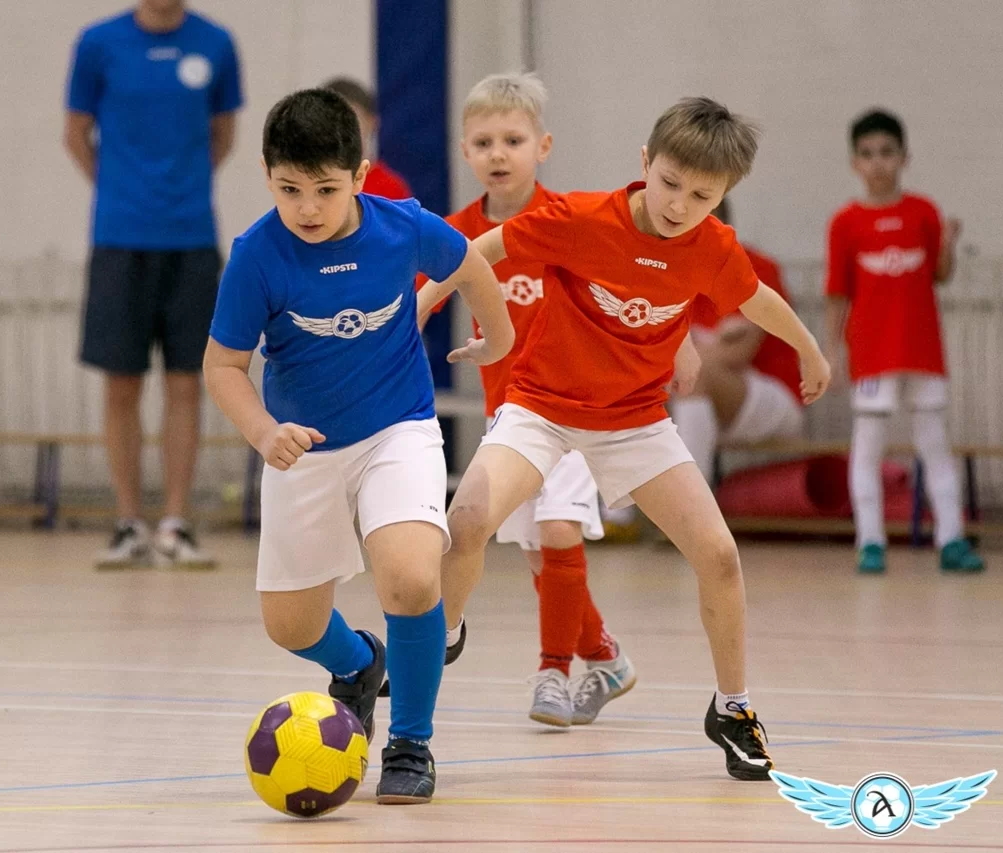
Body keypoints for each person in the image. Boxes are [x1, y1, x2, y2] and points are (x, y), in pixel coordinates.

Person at [420, 97, 831, 781]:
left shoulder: (711, 248)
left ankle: (732, 708)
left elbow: (755, 296)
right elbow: (487, 246)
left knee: (720, 556)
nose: (679, 203)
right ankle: (446, 634)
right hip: (542, 406)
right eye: (670, 183)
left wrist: (811, 350)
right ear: (646, 164)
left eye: (702, 195)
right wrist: (430, 295)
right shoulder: (583, 218)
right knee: (465, 522)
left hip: (636, 419)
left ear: (724, 196)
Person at [203, 89, 513, 803]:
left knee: (409, 576)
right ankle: (359, 662)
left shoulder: (402, 226)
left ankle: (411, 741)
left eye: (324, 190)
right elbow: (222, 367)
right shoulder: (256, 255)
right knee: (290, 624)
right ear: (265, 175)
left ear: (360, 177)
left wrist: (500, 339)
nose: (307, 207)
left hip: (396, 428)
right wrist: (262, 431)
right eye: (289, 189)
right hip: (301, 448)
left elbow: (470, 264)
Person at [419, 73, 633, 729]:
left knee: (559, 531)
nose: (498, 153)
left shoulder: (570, 221)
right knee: (541, 556)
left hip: (572, 408)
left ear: (543, 146)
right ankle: (605, 656)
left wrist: (672, 346)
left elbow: (629, 280)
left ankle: (553, 673)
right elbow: (416, 301)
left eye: (513, 139)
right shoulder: (453, 231)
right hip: (508, 419)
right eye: (484, 141)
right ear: (464, 152)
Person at [65, 0, 242, 568]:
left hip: (191, 237)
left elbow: (222, 134)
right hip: (120, 238)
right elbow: (75, 134)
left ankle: (175, 523)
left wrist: (176, 190)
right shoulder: (98, 43)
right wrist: (123, 190)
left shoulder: (216, 43)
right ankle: (127, 523)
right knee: (122, 384)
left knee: (188, 381)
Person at [825, 109, 983, 574]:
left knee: (934, 444)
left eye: (887, 153)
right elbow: (837, 294)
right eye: (868, 154)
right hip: (872, 355)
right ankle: (870, 542)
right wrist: (831, 352)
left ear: (904, 157)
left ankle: (951, 540)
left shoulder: (923, 212)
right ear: (855, 162)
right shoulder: (845, 223)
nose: (878, 163)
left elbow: (940, 274)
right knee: (868, 446)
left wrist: (949, 243)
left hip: (922, 352)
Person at [671, 198, 804, 482]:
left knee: (694, 372)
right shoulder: (676, 275)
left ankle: (693, 512)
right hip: (705, 398)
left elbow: (736, 355)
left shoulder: (755, 269)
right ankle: (618, 518)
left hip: (776, 396)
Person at [322, 77, 412, 200]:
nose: (340, 129)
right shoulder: (305, 184)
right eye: (331, 120)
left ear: (371, 122)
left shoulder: (391, 189)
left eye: (350, 120)